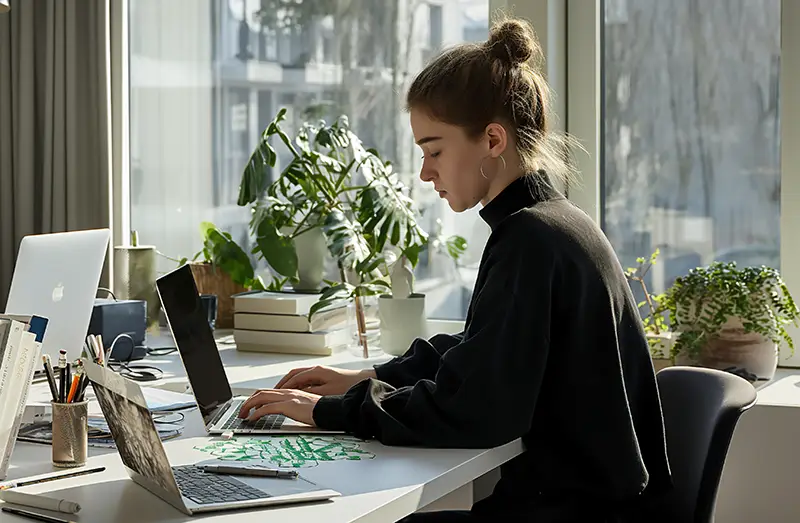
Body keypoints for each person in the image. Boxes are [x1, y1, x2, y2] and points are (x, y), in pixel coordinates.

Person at [238, 16, 672, 522]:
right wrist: (367, 376)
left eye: (435, 150)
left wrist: (325, 411)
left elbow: (477, 410)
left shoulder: (531, 239)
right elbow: (482, 350)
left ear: (492, 139)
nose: (425, 173)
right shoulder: (554, 222)